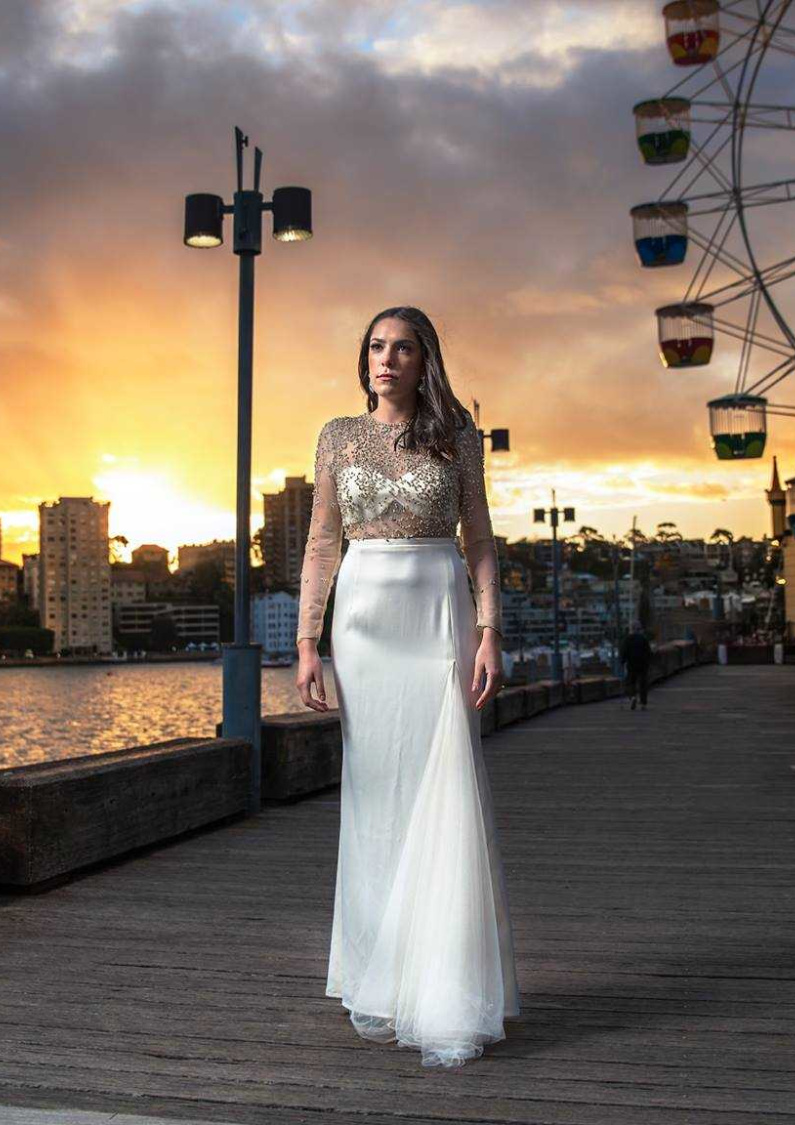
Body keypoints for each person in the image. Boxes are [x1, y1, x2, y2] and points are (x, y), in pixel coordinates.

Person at [295, 305, 519, 1068]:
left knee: (442, 782)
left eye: (402, 349)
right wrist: (305, 642)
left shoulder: (458, 437)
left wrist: (490, 629)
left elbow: (480, 538)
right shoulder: (336, 436)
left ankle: (445, 985)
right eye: (376, 347)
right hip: (362, 624)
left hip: (436, 614)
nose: (385, 359)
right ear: (364, 359)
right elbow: (322, 543)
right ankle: (381, 979)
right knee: (373, 795)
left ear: (426, 362)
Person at [622, 624, 652, 709]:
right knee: (643, 683)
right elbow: (648, 652)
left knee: (631, 682)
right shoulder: (643, 639)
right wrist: (648, 662)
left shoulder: (627, 639)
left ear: (631, 630)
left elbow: (624, 652)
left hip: (631, 664)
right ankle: (643, 703)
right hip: (642, 665)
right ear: (639, 630)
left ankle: (633, 697)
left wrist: (622, 661)